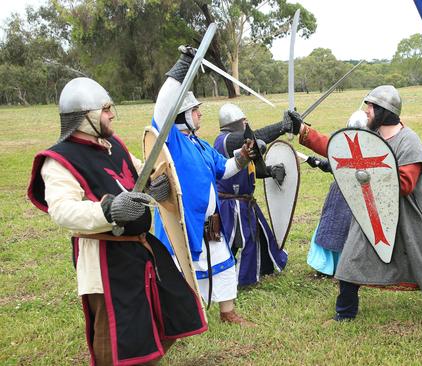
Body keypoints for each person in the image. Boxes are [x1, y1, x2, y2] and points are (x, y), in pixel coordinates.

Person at [27, 77, 207, 365]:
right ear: (86, 117)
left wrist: (153, 185)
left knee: (174, 307)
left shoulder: (112, 144)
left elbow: (139, 174)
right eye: (106, 109)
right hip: (104, 258)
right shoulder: (58, 159)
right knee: (115, 335)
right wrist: (108, 210)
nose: (112, 114)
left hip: (139, 248)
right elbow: (62, 211)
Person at [297, 85, 422, 321]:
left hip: (410, 216)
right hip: (373, 213)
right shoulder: (372, 138)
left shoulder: (409, 141)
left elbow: (405, 184)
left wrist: (368, 169)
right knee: (350, 260)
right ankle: (345, 314)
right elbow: (339, 149)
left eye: (370, 106)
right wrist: (304, 131)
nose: (366, 111)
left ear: (384, 111)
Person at [152, 47, 256, 325]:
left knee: (222, 262)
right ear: (182, 114)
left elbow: (225, 169)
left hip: (210, 220)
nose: (200, 115)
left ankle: (227, 313)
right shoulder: (170, 140)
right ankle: (178, 321)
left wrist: (243, 157)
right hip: (183, 220)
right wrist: (183, 65)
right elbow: (163, 106)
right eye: (195, 111)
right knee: (180, 271)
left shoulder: (200, 144)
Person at [213, 103, 300, 285]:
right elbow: (255, 137)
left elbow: (247, 168)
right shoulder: (225, 140)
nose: (247, 123)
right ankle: (236, 279)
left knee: (259, 236)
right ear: (237, 122)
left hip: (244, 202)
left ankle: (262, 268)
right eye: (244, 121)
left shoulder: (237, 142)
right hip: (230, 204)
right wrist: (282, 127)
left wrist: (268, 171)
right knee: (234, 243)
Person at [305, 110, 368, 276]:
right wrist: (318, 162)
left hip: (357, 196)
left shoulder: (371, 148)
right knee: (329, 228)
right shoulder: (344, 143)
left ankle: (339, 268)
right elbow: (338, 166)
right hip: (338, 193)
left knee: (348, 232)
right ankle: (324, 268)